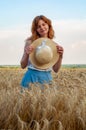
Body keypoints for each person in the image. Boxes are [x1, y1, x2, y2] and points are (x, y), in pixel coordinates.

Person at [20, 15, 64, 88]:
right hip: (31, 77)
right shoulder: (30, 43)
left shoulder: (54, 46)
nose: (42, 28)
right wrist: (26, 53)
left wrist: (60, 56)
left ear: (48, 25)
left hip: (46, 79)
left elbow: (56, 70)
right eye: (38, 26)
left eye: (44, 24)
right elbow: (22, 65)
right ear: (36, 29)